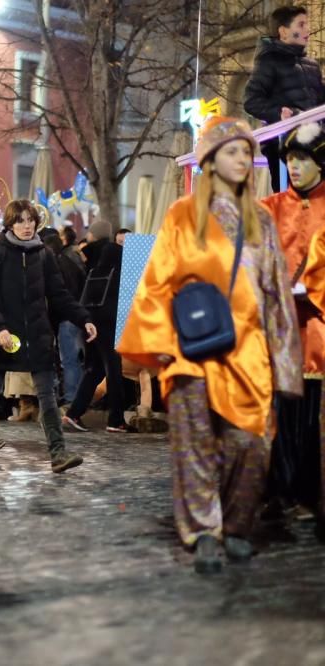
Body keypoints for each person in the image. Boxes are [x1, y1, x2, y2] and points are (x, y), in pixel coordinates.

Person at [118, 116, 303, 574]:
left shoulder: (261, 217)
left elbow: (277, 292)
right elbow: (158, 280)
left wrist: (284, 363)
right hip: (194, 350)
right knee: (195, 446)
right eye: (233, 151)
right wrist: (158, 342)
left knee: (251, 446)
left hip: (250, 354)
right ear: (210, 160)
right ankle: (203, 530)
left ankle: (238, 525)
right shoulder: (184, 213)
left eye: (246, 152)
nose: (243, 159)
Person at [0, 200, 96, 472]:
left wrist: (84, 318)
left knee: (48, 396)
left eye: (30, 220)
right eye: (20, 221)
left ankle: (58, 454)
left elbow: (59, 295)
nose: (26, 226)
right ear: (10, 224)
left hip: (38, 337)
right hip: (3, 337)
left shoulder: (44, 254)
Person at [261, 122, 325, 524]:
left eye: (302, 158)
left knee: (308, 418)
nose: (294, 166)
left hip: (316, 332)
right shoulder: (268, 208)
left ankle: (304, 493)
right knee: (277, 415)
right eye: (289, 158)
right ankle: (275, 492)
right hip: (276, 330)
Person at [62, 220, 134, 433]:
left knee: (94, 369)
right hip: (107, 318)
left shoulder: (89, 256)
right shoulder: (115, 252)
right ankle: (116, 420)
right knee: (113, 368)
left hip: (88, 316)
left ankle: (73, 414)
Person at [243, 5, 325, 192]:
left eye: (307, 24)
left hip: (316, 146)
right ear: (283, 31)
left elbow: (319, 102)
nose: (307, 30)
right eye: (301, 24)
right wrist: (278, 112)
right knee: (292, 205)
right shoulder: (268, 61)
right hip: (284, 147)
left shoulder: (312, 65)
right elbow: (251, 100)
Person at [56, 225, 87, 404]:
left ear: (64, 239)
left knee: (70, 360)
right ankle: (81, 399)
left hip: (69, 314)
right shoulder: (78, 257)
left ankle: (72, 399)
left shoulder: (63, 259)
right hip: (81, 313)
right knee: (79, 359)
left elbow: (64, 290)